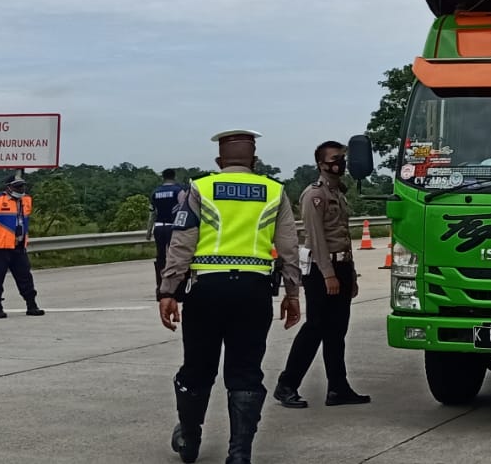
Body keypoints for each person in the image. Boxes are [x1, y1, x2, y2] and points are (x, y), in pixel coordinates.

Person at [157, 130, 302, 464]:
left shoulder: (200, 188)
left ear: (219, 162)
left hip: (207, 290)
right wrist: (292, 293)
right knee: (246, 371)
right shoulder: (274, 191)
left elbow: (181, 243)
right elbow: (289, 247)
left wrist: (168, 290)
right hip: (253, 292)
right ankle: (239, 454)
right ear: (254, 160)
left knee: (197, 366)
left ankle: (189, 438)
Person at [274, 140, 371, 409]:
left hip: (341, 267)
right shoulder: (313, 195)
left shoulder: (338, 193)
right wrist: (329, 275)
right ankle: (286, 385)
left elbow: (343, 238)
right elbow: (316, 238)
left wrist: (350, 275)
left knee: (337, 330)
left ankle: (338, 388)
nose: (341, 162)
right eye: (335, 158)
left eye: (342, 157)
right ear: (321, 163)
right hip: (321, 269)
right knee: (315, 327)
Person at [0, 175, 44, 319]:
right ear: (8, 187)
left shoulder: (26, 201)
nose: (21, 189)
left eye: (22, 186)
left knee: (25, 276)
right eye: (17, 186)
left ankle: (32, 305)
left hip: (18, 245)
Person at [149, 169, 187, 293]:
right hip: (173, 227)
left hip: (159, 227)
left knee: (160, 256)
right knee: (175, 256)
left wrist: (149, 231)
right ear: (174, 177)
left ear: (163, 177)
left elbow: (152, 214)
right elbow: (184, 209)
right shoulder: (178, 191)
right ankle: (175, 285)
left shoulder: (155, 192)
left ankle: (160, 284)